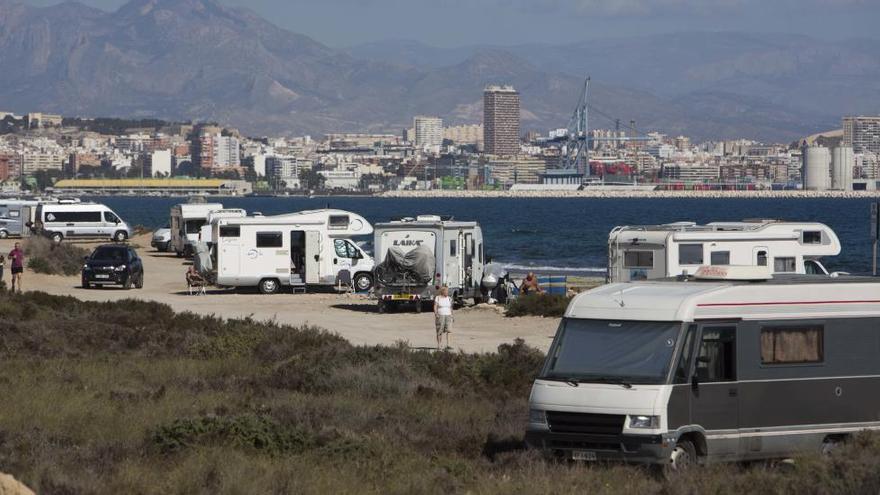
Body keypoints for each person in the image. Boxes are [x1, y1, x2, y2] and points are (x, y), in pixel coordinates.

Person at [433, 285, 453, 350]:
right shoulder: (438, 298)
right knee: (439, 330)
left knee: (449, 330)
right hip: (440, 315)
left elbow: (450, 307)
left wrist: (452, 315)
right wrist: (436, 314)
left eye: (448, 291)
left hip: (448, 315)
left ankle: (449, 344)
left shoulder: (449, 298)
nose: (447, 292)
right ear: (443, 291)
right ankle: (439, 345)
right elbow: (435, 306)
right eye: (446, 291)